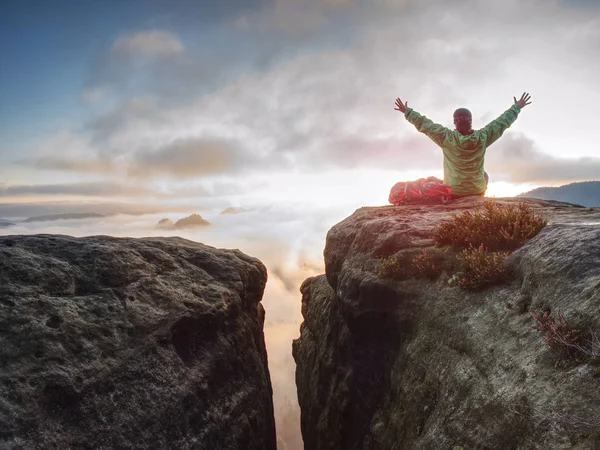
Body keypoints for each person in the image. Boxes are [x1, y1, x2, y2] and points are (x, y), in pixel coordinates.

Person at [394, 92, 532, 198]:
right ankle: (476, 194)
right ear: (471, 121)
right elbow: (502, 122)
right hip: (476, 192)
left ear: (455, 122)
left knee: (437, 179)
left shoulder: (446, 137)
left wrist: (408, 112)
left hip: (453, 192)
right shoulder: (483, 137)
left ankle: (459, 189)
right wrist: (516, 107)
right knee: (484, 175)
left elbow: (426, 124)